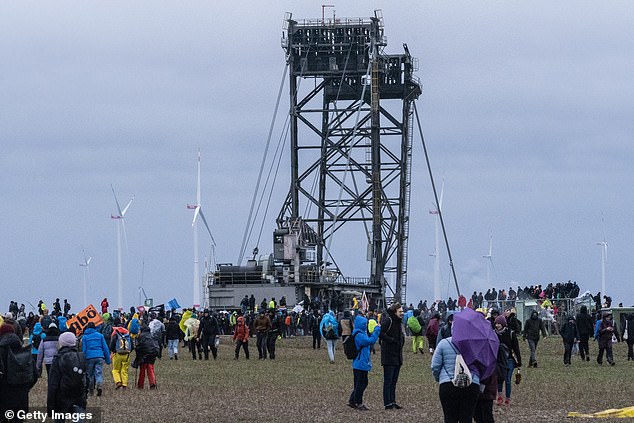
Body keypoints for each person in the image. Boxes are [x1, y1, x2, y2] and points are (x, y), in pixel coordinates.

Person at [431, 336, 481, 423]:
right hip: (471, 383)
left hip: (448, 384)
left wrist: (439, 378)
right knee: (466, 418)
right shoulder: (475, 344)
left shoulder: (443, 343)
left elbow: (435, 366)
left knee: (449, 418)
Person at [0, 323, 38, 422]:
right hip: (22, 396)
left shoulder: (1, 351)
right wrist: (25, 387)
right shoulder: (23, 349)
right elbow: (35, 374)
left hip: (4, 396)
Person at [47, 331, 87, 418]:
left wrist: (50, 407)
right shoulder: (82, 357)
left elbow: (53, 384)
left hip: (61, 397)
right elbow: (85, 378)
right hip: (79, 396)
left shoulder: (58, 358)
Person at [347, 314, 381, 411]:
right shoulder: (360, 335)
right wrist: (376, 330)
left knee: (360, 383)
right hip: (360, 363)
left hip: (360, 363)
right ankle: (358, 402)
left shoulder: (359, 333)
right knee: (361, 384)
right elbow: (371, 340)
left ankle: (353, 400)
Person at [380, 303, 405, 410]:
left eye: (402, 311)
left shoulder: (399, 322)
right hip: (389, 356)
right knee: (388, 381)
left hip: (397, 356)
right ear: (395, 312)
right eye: (400, 312)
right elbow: (380, 333)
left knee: (394, 381)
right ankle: (387, 403)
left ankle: (393, 401)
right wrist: (391, 341)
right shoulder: (388, 321)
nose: (402, 313)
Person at [494, 315, 522, 409]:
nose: (497, 325)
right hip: (498, 360)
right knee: (499, 379)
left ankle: (508, 398)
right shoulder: (493, 334)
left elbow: (516, 348)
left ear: (503, 324)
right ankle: (500, 396)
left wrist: (519, 361)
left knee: (508, 379)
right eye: (496, 323)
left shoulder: (511, 333)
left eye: (499, 323)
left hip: (509, 359)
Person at [81, 322, 111, 397]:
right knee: (99, 373)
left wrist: (82, 359)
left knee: (90, 375)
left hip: (89, 357)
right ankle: (99, 385)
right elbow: (105, 348)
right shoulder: (100, 336)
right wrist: (108, 359)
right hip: (100, 356)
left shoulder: (85, 337)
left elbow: (84, 349)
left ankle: (91, 391)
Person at [110, 322, 133, 389]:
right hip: (126, 355)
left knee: (116, 370)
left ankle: (118, 382)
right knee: (124, 370)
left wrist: (113, 351)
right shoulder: (128, 335)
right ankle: (124, 384)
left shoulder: (115, 335)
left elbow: (111, 345)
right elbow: (132, 346)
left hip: (117, 354)